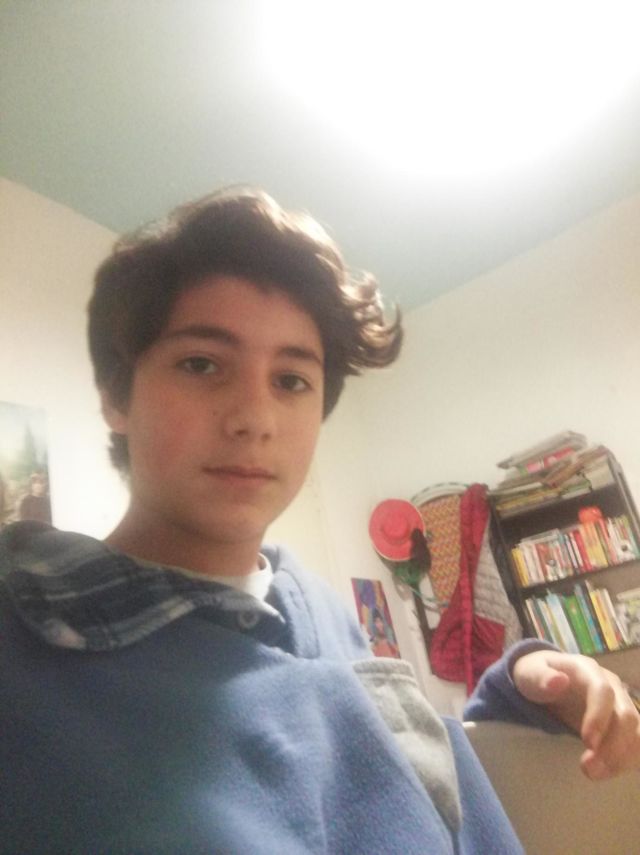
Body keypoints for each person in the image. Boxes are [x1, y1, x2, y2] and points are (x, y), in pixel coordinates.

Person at [1, 189, 638, 854]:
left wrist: (526, 693)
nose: (255, 418)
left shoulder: (318, 608)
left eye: (291, 380)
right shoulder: (23, 650)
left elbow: (406, 782)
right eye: (201, 363)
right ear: (115, 395)